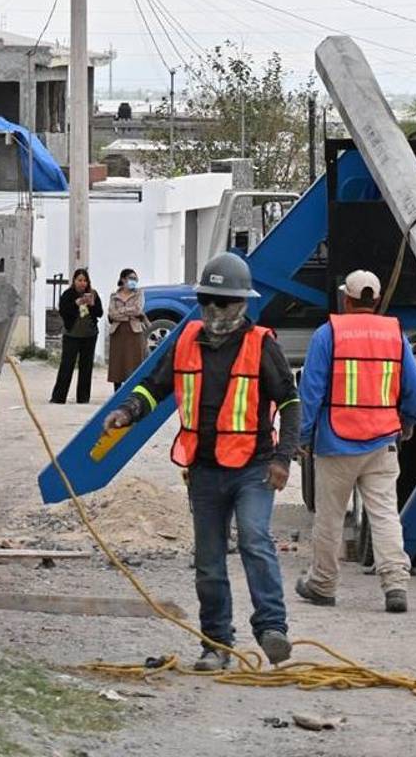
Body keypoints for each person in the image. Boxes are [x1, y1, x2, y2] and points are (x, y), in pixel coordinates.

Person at [103, 252, 300, 671]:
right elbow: (153, 388)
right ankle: (216, 644)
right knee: (209, 563)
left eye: (222, 302)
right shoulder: (186, 341)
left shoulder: (261, 345)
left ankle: (272, 628)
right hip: (205, 470)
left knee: (254, 540)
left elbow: (290, 402)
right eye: (207, 300)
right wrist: (127, 412)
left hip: (253, 468)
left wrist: (283, 458)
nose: (213, 309)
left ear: (241, 304)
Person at [294, 269, 416, 613]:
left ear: (346, 299)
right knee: (385, 515)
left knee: (330, 518)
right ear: (377, 300)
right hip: (382, 441)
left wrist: (303, 436)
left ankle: (322, 585)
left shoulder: (328, 334)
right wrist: (408, 422)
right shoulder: (395, 334)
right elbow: (415, 389)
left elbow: (310, 391)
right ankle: (395, 585)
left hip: (336, 442)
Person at [50, 268, 103, 404]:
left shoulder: (93, 294)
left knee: (86, 367)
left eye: (85, 280)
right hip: (71, 335)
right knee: (67, 366)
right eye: (79, 280)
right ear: (74, 281)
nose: (82, 283)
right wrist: (76, 303)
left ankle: (83, 398)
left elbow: (100, 313)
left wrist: (92, 305)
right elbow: (63, 311)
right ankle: (59, 397)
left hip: (89, 335)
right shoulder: (68, 294)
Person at [107, 268, 148, 391]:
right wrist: (128, 314)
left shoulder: (139, 294)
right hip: (118, 332)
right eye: (131, 278)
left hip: (134, 332)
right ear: (123, 279)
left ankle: (133, 392)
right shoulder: (114, 296)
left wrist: (121, 311)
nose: (133, 281)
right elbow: (112, 314)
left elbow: (138, 309)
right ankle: (117, 392)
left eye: (135, 279)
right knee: (117, 364)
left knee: (134, 363)